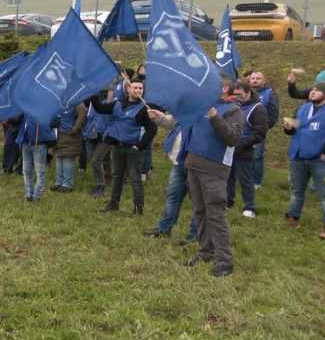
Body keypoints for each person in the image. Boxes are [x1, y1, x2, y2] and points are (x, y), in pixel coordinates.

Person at [184, 81, 244, 277]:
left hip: (214, 170)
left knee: (216, 215)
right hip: (193, 165)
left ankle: (225, 261)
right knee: (199, 211)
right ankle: (205, 251)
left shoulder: (233, 110)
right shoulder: (202, 105)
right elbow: (184, 123)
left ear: (225, 88)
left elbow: (232, 138)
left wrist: (214, 117)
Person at [284, 81, 325, 240]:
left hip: (319, 160)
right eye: (312, 89)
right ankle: (293, 219)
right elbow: (295, 128)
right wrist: (288, 128)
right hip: (298, 157)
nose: (312, 92)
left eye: (317, 90)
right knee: (296, 191)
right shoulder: (303, 108)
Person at [89, 78, 157, 216]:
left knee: (134, 178)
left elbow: (152, 129)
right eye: (135, 87)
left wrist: (140, 145)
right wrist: (93, 93)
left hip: (133, 148)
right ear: (128, 89)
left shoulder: (144, 109)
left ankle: (138, 208)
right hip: (117, 146)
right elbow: (99, 108)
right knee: (117, 176)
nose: (138, 90)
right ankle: (113, 204)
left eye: (141, 88)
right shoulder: (117, 104)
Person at [142, 112, 199, 243]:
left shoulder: (207, 110)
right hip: (178, 162)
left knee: (197, 201)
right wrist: (158, 117)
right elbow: (171, 122)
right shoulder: (186, 108)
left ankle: (195, 234)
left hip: (196, 164)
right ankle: (164, 228)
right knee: (173, 196)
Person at [227, 81, 268, 218]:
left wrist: (242, 144)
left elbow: (259, 134)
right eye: (234, 94)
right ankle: (228, 202)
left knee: (245, 179)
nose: (236, 97)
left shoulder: (258, 108)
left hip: (244, 149)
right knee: (228, 177)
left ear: (248, 92)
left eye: (239, 94)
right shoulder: (233, 106)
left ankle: (249, 207)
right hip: (228, 147)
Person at [246, 71, 280, 188]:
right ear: (249, 80)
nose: (255, 80)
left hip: (258, 131)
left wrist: (264, 128)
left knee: (256, 156)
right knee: (242, 156)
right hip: (243, 130)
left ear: (264, 81)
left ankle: (256, 182)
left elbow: (273, 113)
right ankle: (243, 179)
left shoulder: (269, 93)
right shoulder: (244, 92)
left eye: (258, 78)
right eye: (253, 78)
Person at [17, 115, 57, 202]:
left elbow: (56, 121)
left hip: (39, 144)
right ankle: (28, 194)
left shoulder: (44, 108)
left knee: (40, 172)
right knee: (26, 170)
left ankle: (36, 195)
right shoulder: (25, 108)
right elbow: (16, 119)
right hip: (26, 143)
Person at [83, 91, 113, 197]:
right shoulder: (92, 102)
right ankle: (102, 181)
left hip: (105, 136)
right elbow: (89, 117)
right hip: (90, 134)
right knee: (95, 160)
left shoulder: (111, 103)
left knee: (97, 160)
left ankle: (101, 186)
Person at [52, 103, 88, 193]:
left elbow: (82, 116)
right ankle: (59, 182)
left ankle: (67, 184)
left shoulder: (78, 102)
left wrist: (75, 129)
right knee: (59, 158)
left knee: (68, 158)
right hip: (59, 134)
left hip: (70, 135)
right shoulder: (62, 101)